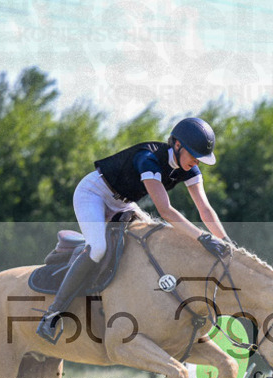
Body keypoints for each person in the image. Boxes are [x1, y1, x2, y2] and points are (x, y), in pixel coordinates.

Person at [36, 117, 232, 343]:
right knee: (98, 248)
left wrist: (225, 241)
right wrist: (203, 238)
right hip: (93, 194)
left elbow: (205, 209)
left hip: (123, 203)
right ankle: (52, 313)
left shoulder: (189, 167)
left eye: (200, 159)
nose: (197, 163)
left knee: (157, 237)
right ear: (177, 145)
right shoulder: (148, 159)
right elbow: (166, 210)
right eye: (194, 156)